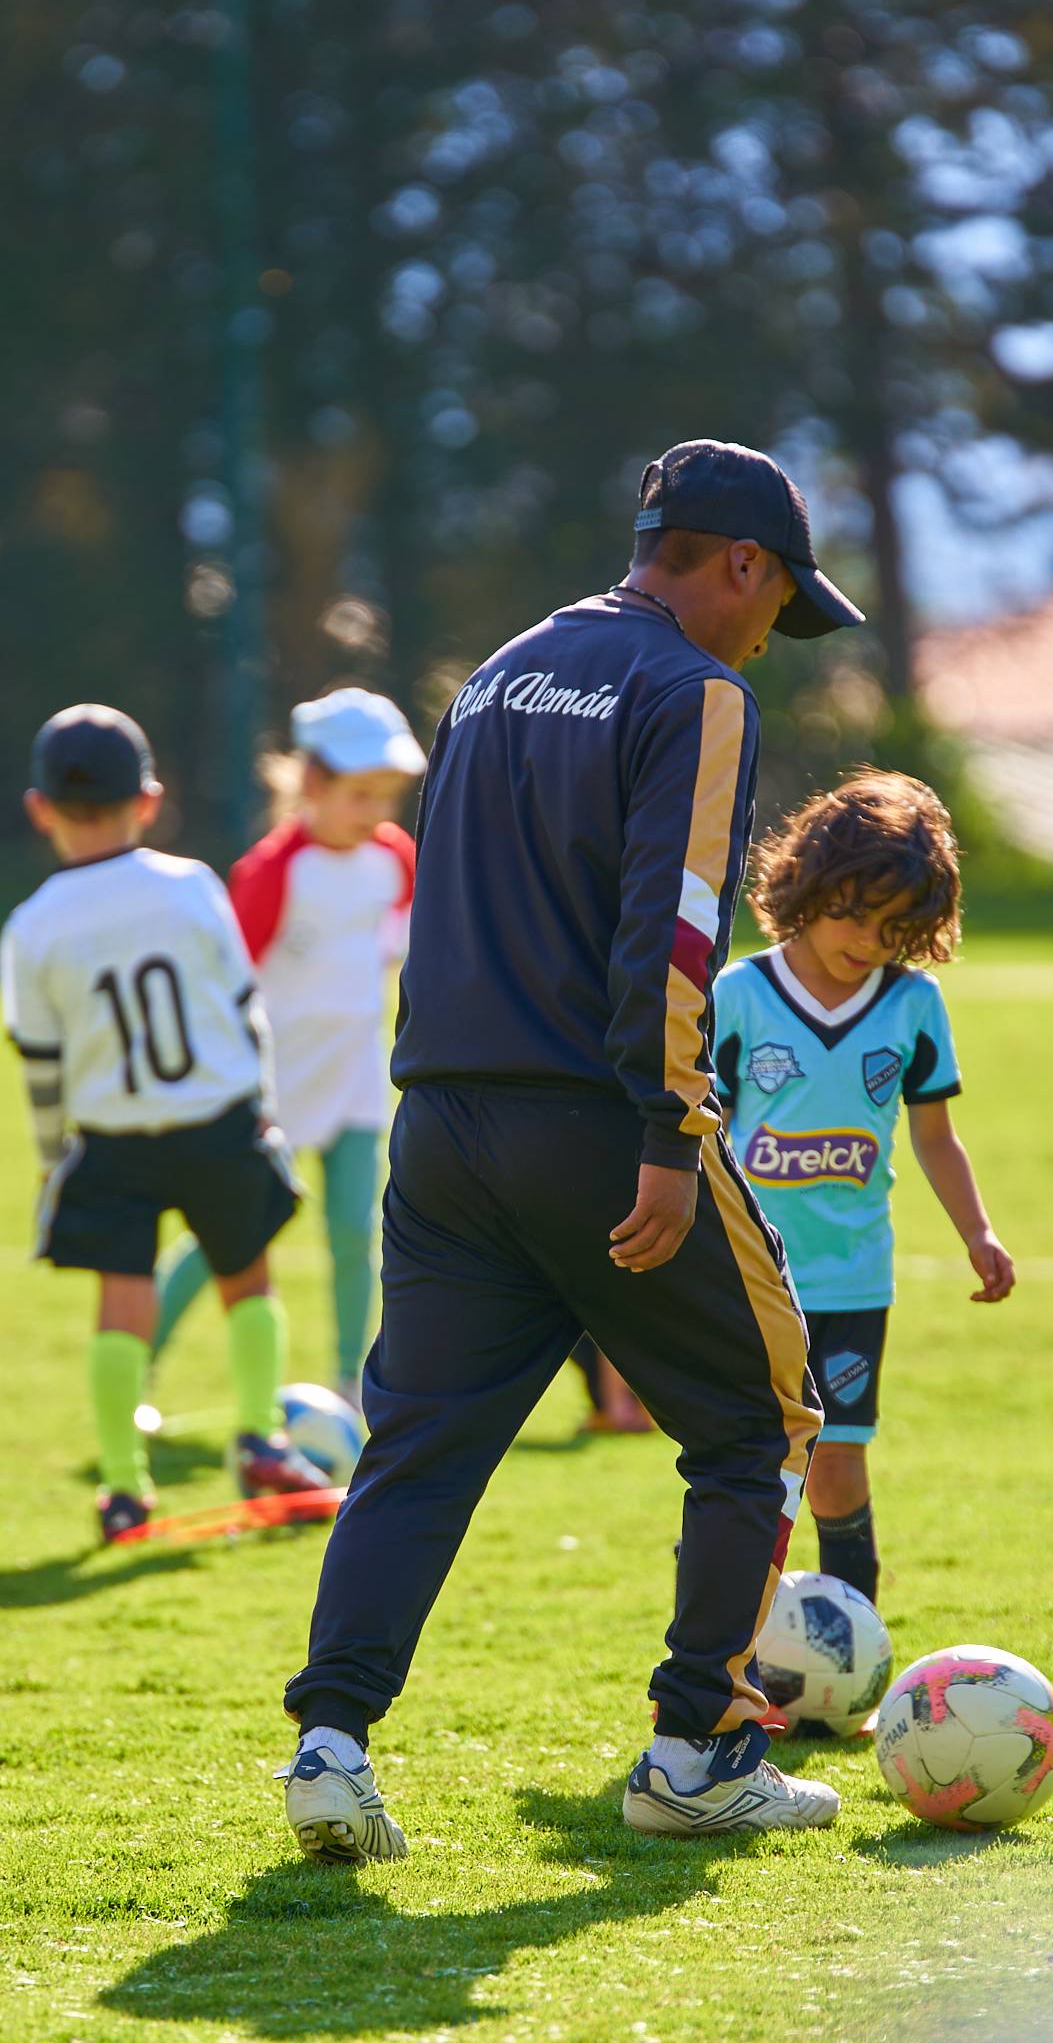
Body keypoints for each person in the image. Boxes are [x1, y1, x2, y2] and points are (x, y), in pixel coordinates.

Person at [279, 437, 866, 1865]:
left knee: (411, 1451)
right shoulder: (695, 688)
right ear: (737, 564)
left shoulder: (494, 673)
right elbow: (673, 929)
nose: (769, 640)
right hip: (596, 1124)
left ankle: (329, 1746)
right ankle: (700, 1752)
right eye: (778, 603)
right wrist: (670, 1131)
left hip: (441, 1125)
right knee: (765, 1414)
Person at [1, 705, 328, 1543]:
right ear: (149, 799)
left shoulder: (32, 924)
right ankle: (262, 1438)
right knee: (246, 1277)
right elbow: (242, 1007)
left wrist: (51, 1158)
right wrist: (262, 1109)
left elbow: (38, 1064)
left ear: (40, 810)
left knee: (123, 1301)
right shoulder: (190, 887)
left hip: (110, 1138)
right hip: (215, 1121)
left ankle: (121, 1487)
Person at [713, 770, 1015, 1623]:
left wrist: (978, 1232)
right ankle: (732, 1658)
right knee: (750, 1464)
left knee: (838, 1465)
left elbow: (933, 1136)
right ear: (806, 886)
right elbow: (702, 1134)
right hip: (750, 1277)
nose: (869, 940)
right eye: (852, 912)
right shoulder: (740, 994)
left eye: (896, 928)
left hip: (851, 1279)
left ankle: (849, 1654)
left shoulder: (914, 1007)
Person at [148, 688, 424, 1410]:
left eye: (386, 797)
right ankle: (137, 1359)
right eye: (360, 794)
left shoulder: (395, 858)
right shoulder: (271, 871)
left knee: (355, 1232)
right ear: (312, 784)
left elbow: (400, 946)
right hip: (271, 1084)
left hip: (358, 1077)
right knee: (227, 1233)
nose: (375, 813)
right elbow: (224, 982)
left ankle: (352, 1385)